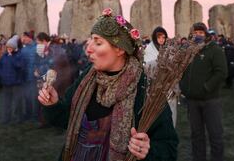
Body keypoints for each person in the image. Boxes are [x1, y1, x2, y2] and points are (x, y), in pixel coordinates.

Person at [38, 9, 178, 161]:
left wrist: (148, 151)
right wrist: (53, 104)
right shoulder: (87, 79)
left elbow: (169, 148)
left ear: (119, 49)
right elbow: (67, 119)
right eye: (90, 40)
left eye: (98, 42)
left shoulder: (147, 90)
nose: (88, 48)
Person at [180, 22, 227, 161]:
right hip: (192, 100)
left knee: (215, 134)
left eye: (201, 32)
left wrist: (206, 87)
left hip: (210, 100)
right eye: (195, 32)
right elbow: (183, 70)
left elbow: (221, 72)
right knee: (196, 134)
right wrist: (183, 87)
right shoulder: (189, 50)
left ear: (206, 34)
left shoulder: (215, 50)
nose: (198, 35)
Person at [144, 26, 180, 127]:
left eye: (164, 37)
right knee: (157, 116)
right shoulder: (149, 50)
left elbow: (175, 67)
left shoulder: (169, 49)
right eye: (159, 37)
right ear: (155, 37)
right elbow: (147, 67)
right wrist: (160, 62)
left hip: (168, 86)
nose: (161, 39)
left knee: (171, 114)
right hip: (155, 88)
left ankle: (170, 133)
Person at [0, 37, 24, 124]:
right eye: (8, 47)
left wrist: (11, 57)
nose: (9, 48)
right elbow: (0, 67)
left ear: (14, 47)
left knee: (17, 101)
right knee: (6, 102)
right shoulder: (4, 56)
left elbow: (19, 66)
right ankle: (6, 117)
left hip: (16, 82)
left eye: (10, 47)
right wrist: (2, 75)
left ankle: (18, 118)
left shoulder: (19, 56)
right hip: (6, 82)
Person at [20, 32, 37, 120]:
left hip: (33, 77)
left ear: (30, 38)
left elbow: (36, 63)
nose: (23, 39)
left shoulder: (36, 48)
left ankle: (35, 115)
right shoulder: (23, 49)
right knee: (26, 96)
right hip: (25, 76)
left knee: (34, 96)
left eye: (25, 37)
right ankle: (28, 113)